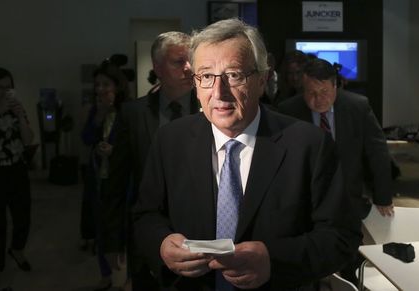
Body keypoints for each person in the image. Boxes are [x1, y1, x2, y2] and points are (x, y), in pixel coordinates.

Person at [132, 19, 361, 291]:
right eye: (206, 76)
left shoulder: (309, 145)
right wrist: (161, 244)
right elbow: (145, 217)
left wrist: (274, 261)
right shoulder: (170, 140)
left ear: (262, 79)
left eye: (234, 75)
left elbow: (341, 237)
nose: (219, 92)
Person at [278, 57, 395, 285]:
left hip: (347, 195)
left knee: (348, 251)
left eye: (324, 92)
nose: (318, 99)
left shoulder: (357, 106)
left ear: (335, 86)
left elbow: (377, 152)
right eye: (311, 92)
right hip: (305, 197)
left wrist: (383, 195)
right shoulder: (287, 110)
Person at [101, 31, 198, 290]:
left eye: (191, 60)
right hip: (149, 233)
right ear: (157, 67)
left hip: (203, 233)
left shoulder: (212, 108)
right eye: (179, 62)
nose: (189, 68)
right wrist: (112, 240)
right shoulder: (133, 114)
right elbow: (116, 181)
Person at [0, 68, 34, 291]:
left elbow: (28, 139)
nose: (4, 92)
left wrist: (21, 115)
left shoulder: (16, 109)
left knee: (23, 215)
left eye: (8, 87)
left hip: (17, 170)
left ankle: (17, 249)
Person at [80, 59, 129, 291]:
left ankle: (124, 275)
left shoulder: (128, 110)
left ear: (117, 86)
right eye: (97, 85)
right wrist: (99, 114)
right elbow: (87, 138)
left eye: (106, 85)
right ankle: (106, 274)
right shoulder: (95, 110)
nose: (100, 90)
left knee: (119, 226)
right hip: (98, 178)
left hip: (122, 180)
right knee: (100, 226)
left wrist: (115, 151)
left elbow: (133, 145)